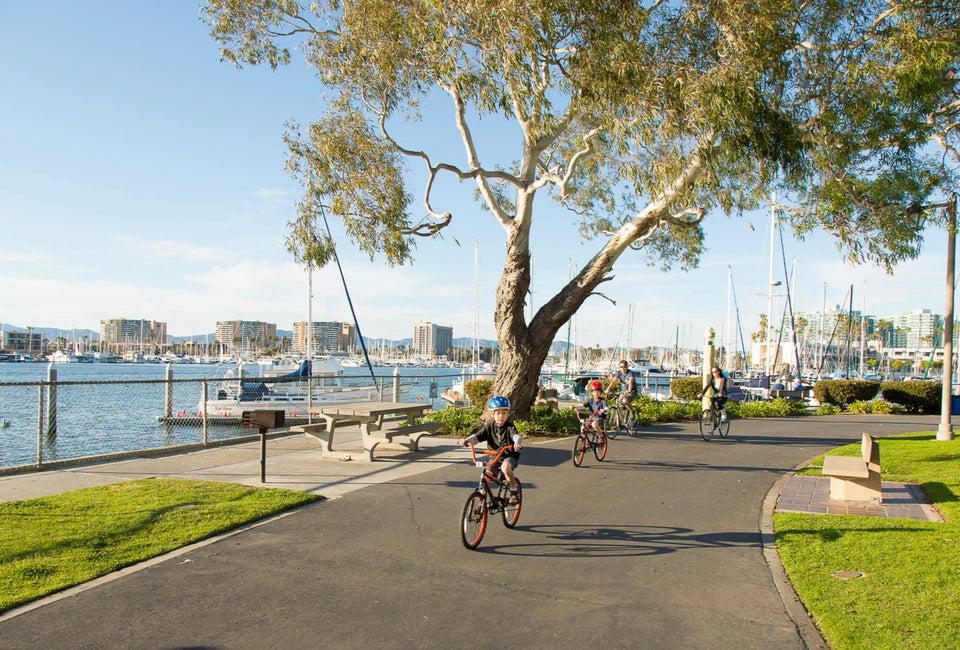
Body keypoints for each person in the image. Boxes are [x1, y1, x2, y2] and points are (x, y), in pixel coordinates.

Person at [459, 395, 522, 501]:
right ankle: (480, 503)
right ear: (492, 414)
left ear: (508, 414)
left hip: (509, 455)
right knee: (486, 478)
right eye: (498, 413)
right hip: (494, 457)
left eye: (504, 413)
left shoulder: (510, 427)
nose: (501, 416)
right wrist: (466, 441)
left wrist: (517, 443)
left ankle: (513, 490)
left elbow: (516, 436)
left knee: (505, 467)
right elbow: (477, 437)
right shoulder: (489, 427)